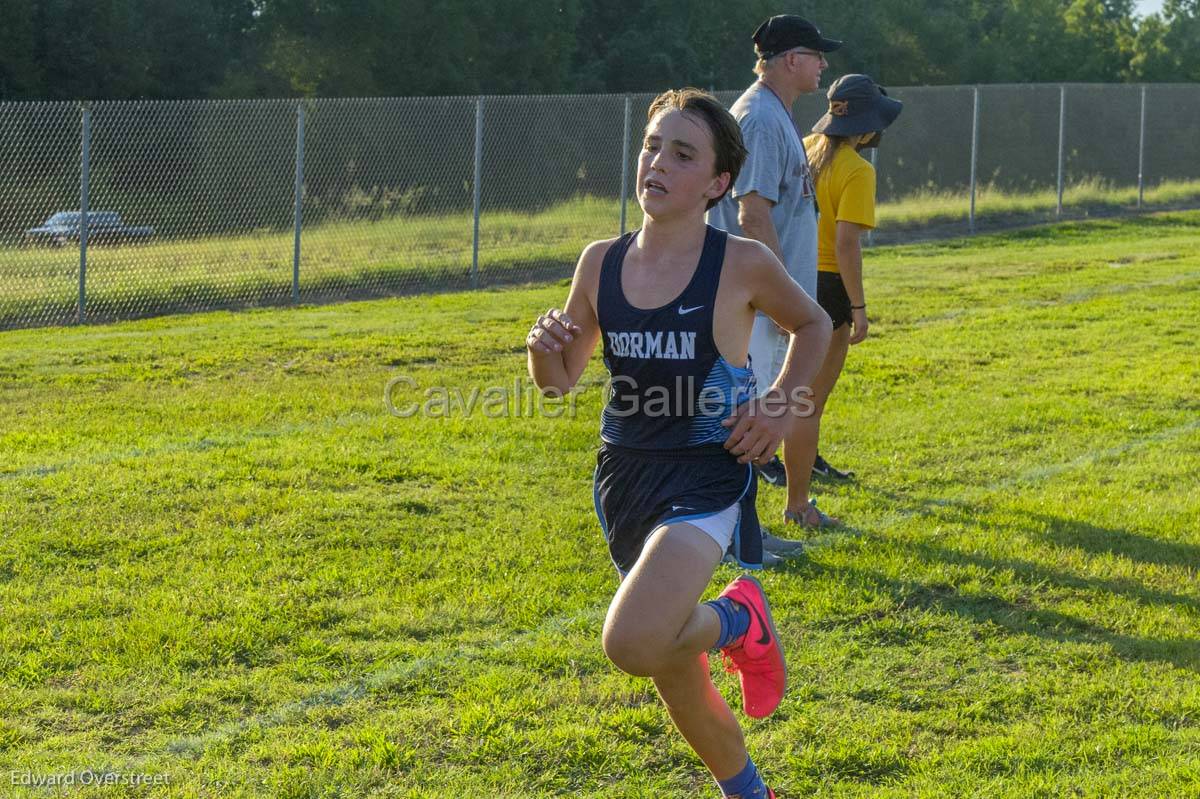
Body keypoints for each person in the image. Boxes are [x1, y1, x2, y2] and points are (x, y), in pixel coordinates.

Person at [527, 89, 831, 799]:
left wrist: (781, 407)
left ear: (718, 183)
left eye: (682, 154)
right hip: (623, 481)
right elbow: (558, 381)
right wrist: (543, 348)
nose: (657, 163)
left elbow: (813, 325)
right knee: (675, 674)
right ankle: (751, 792)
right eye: (652, 146)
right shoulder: (599, 261)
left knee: (631, 640)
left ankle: (737, 615)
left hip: (706, 477)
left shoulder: (740, 261)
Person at [706, 14, 842, 558]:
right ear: (791, 60)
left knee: (756, 420)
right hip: (756, 302)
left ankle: (749, 529)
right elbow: (753, 215)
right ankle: (738, 537)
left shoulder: (774, 113)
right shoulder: (760, 117)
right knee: (747, 422)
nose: (823, 65)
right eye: (815, 55)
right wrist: (785, 301)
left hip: (764, 300)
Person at [785, 74, 902, 528]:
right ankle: (798, 504)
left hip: (789, 277)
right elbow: (847, 244)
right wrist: (858, 308)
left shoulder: (806, 147)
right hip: (828, 287)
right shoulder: (858, 169)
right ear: (869, 126)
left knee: (783, 393)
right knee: (807, 402)